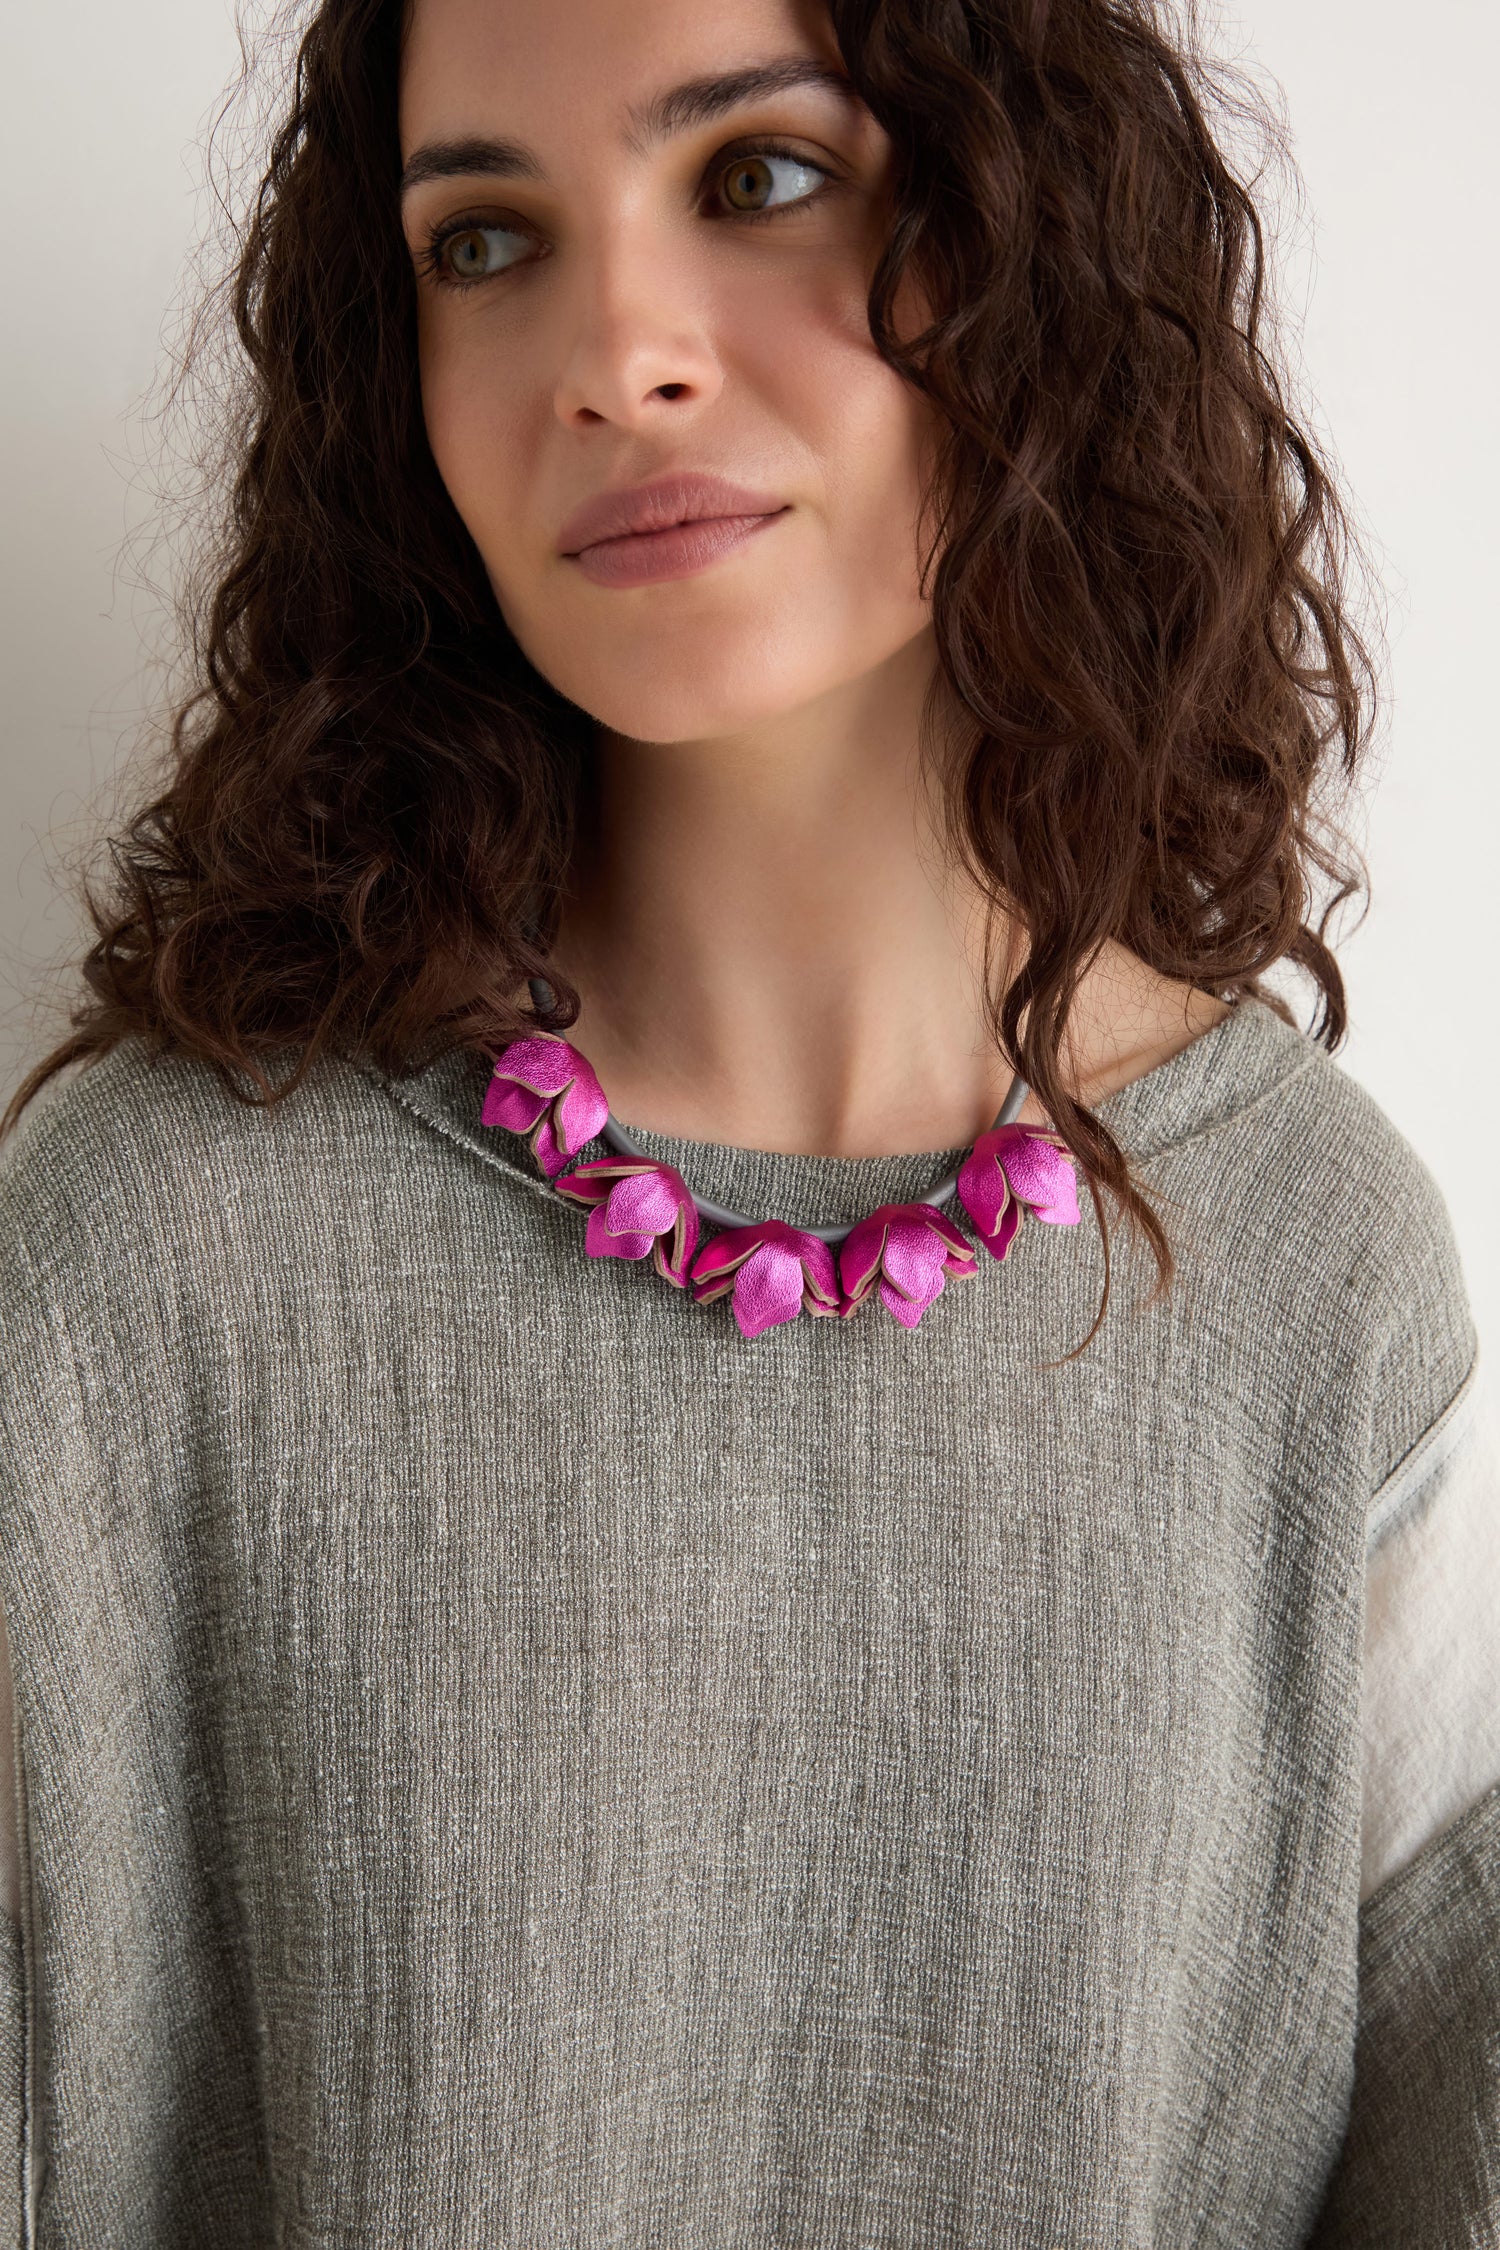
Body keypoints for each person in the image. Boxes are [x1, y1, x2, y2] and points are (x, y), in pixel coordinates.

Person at [0, 0, 1494, 2239]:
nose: (615, 352)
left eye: (760, 178)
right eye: (485, 238)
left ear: (1032, 244)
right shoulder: (135, 1277)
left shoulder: (1313, 1276)